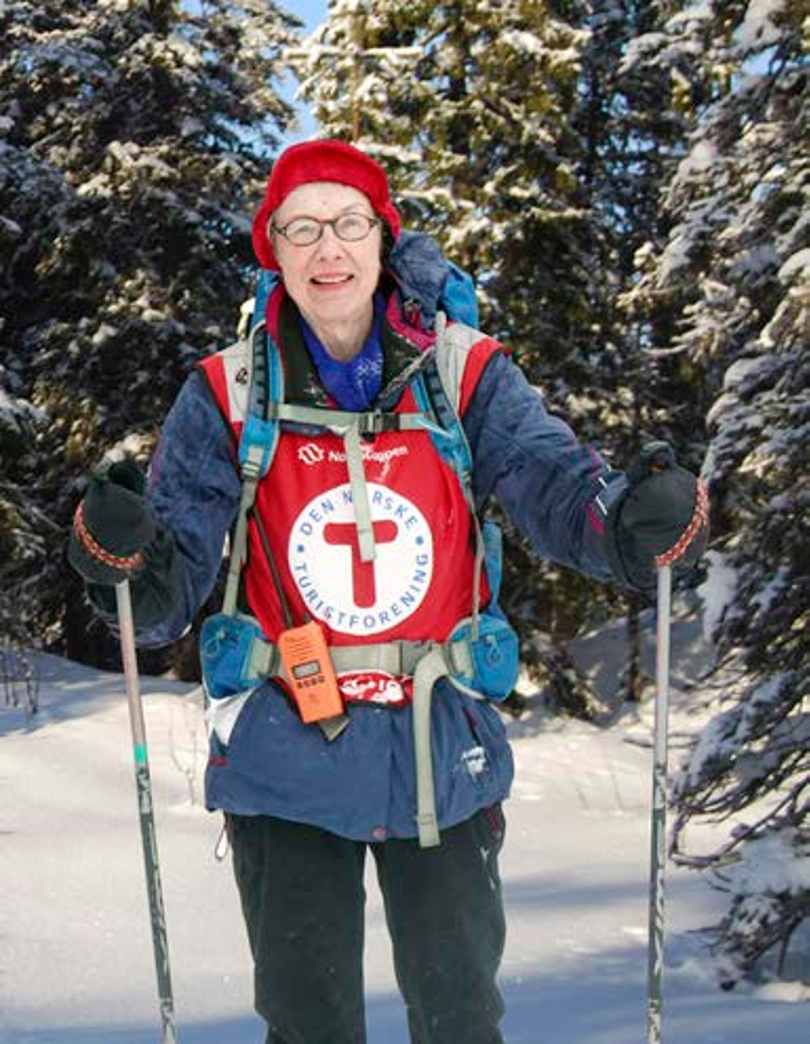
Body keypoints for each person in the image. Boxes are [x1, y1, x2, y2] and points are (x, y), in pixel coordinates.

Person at [68, 139, 707, 1044]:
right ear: (273, 249)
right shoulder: (226, 392)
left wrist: (631, 526)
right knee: (309, 1022)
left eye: (349, 224)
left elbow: (555, 486)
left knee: (459, 1017)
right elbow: (168, 590)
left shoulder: (464, 371)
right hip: (285, 749)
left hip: (442, 747)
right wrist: (122, 559)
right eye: (302, 227)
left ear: (382, 238)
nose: (328, 249)